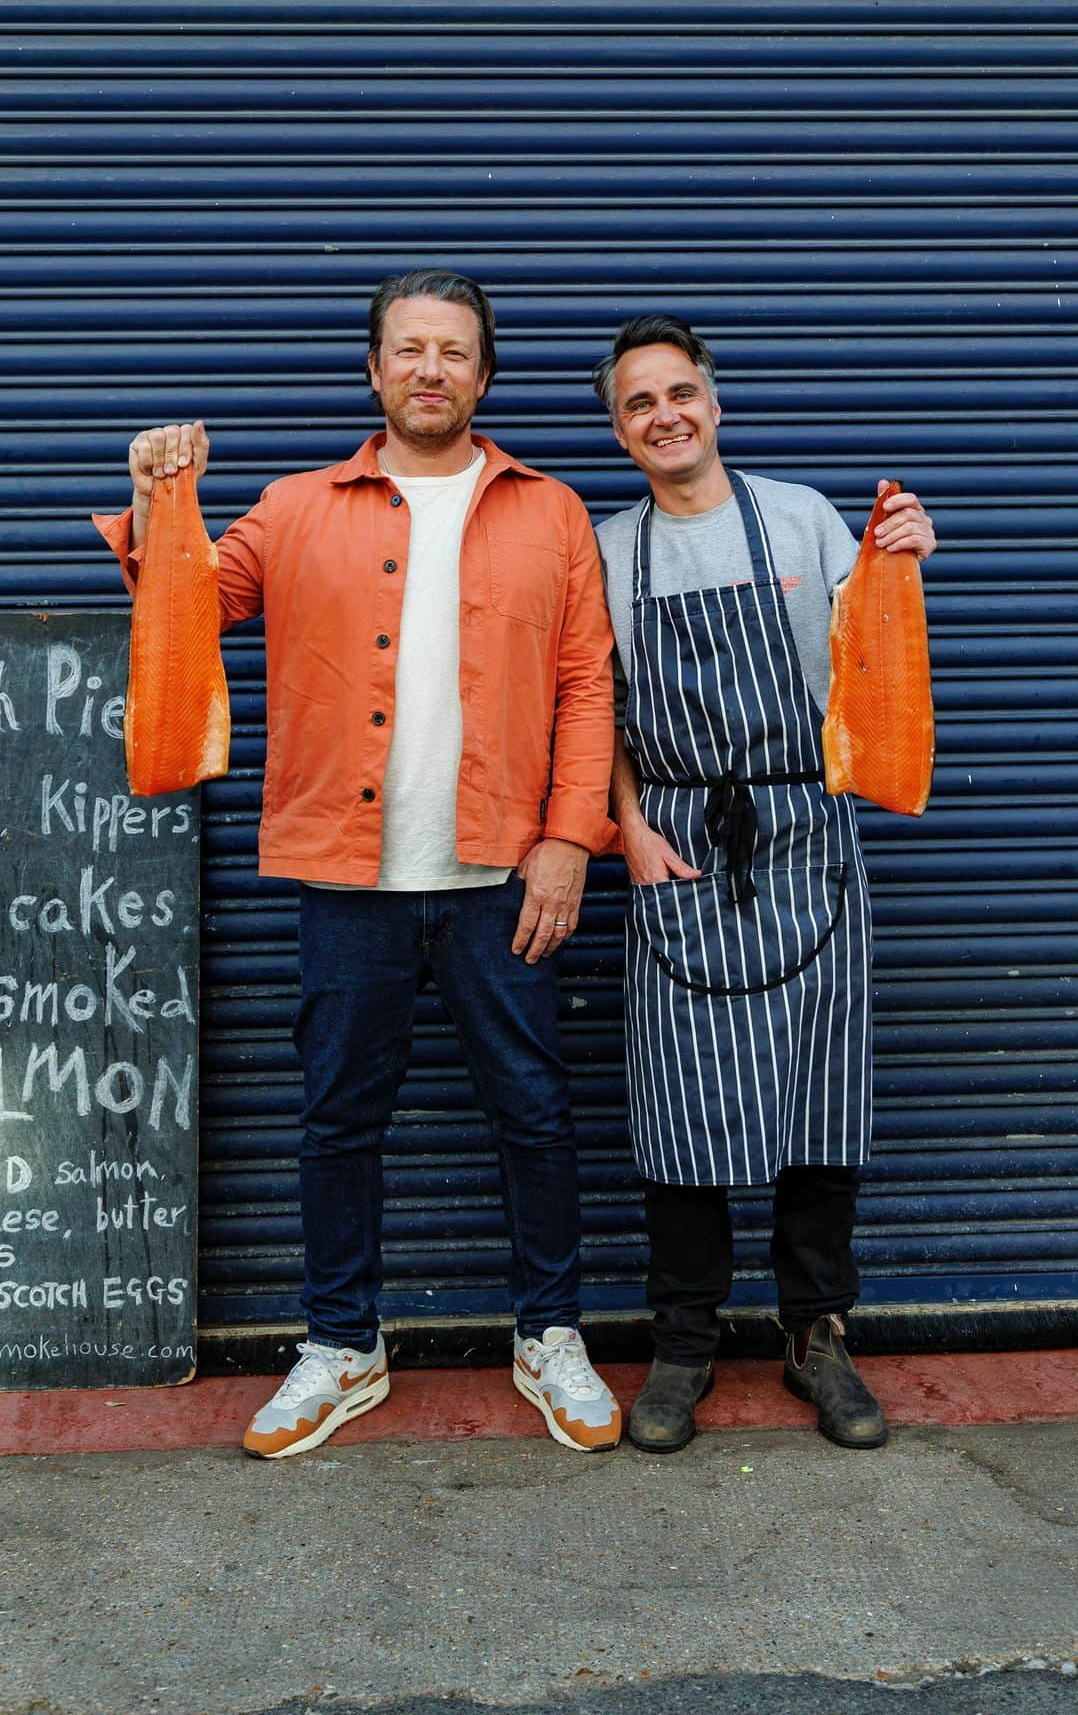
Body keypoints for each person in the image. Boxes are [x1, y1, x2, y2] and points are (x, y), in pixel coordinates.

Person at [95, 268, 622, 1457]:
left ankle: (550, 1333)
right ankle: (343, 1343)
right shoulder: (290, 509)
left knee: (534, 1112)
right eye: (409, 349)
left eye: (454, 351)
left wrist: (565, 838)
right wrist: (150, 505)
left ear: (484, 377)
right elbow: (179, 604)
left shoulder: (550, 512)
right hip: (348, 878)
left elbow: (590, 685)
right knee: (338, 1118)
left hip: (498, 877)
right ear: (374, 370)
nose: (431, 368)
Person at [592, 313, 936, 1454]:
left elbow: (874, 658)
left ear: (715, 402)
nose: (664, 416)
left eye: (679, 392)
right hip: (678, 841)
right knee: (680, 1109)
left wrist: (907, 557)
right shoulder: (605, 550)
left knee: (822, 1105)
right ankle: (683, 1343)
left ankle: (816, 1336)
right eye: (638, 403)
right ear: (618, 427)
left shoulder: (803, 517)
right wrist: (628, 831)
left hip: (807, 830)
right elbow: (588, 712)